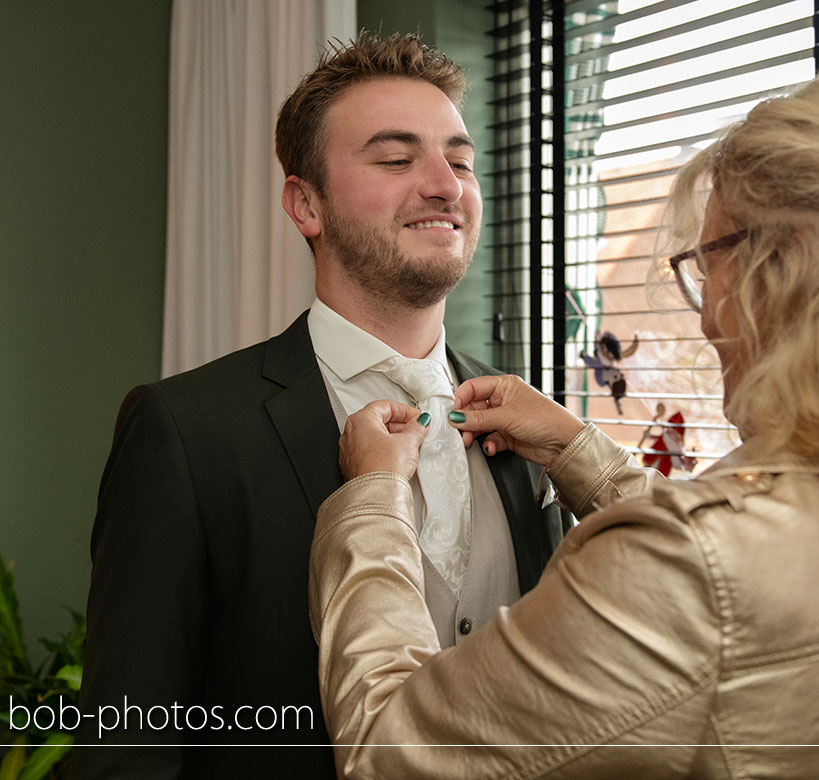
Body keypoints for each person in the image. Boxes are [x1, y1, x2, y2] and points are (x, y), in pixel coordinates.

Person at [307, 65, 819, 778]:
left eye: (707, 263)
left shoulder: (693, 566)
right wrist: (581, 450)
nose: (707, 310)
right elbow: (761, 586)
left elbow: (387, 751)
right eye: (394, 158)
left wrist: (374, 497)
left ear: (778, 274)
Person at [76, 32, 571, 779]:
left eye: (460, 161)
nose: (445, 185)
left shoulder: (538, 427)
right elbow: (128, 744)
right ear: (305, 203)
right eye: (397, 158)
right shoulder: (185, 431)